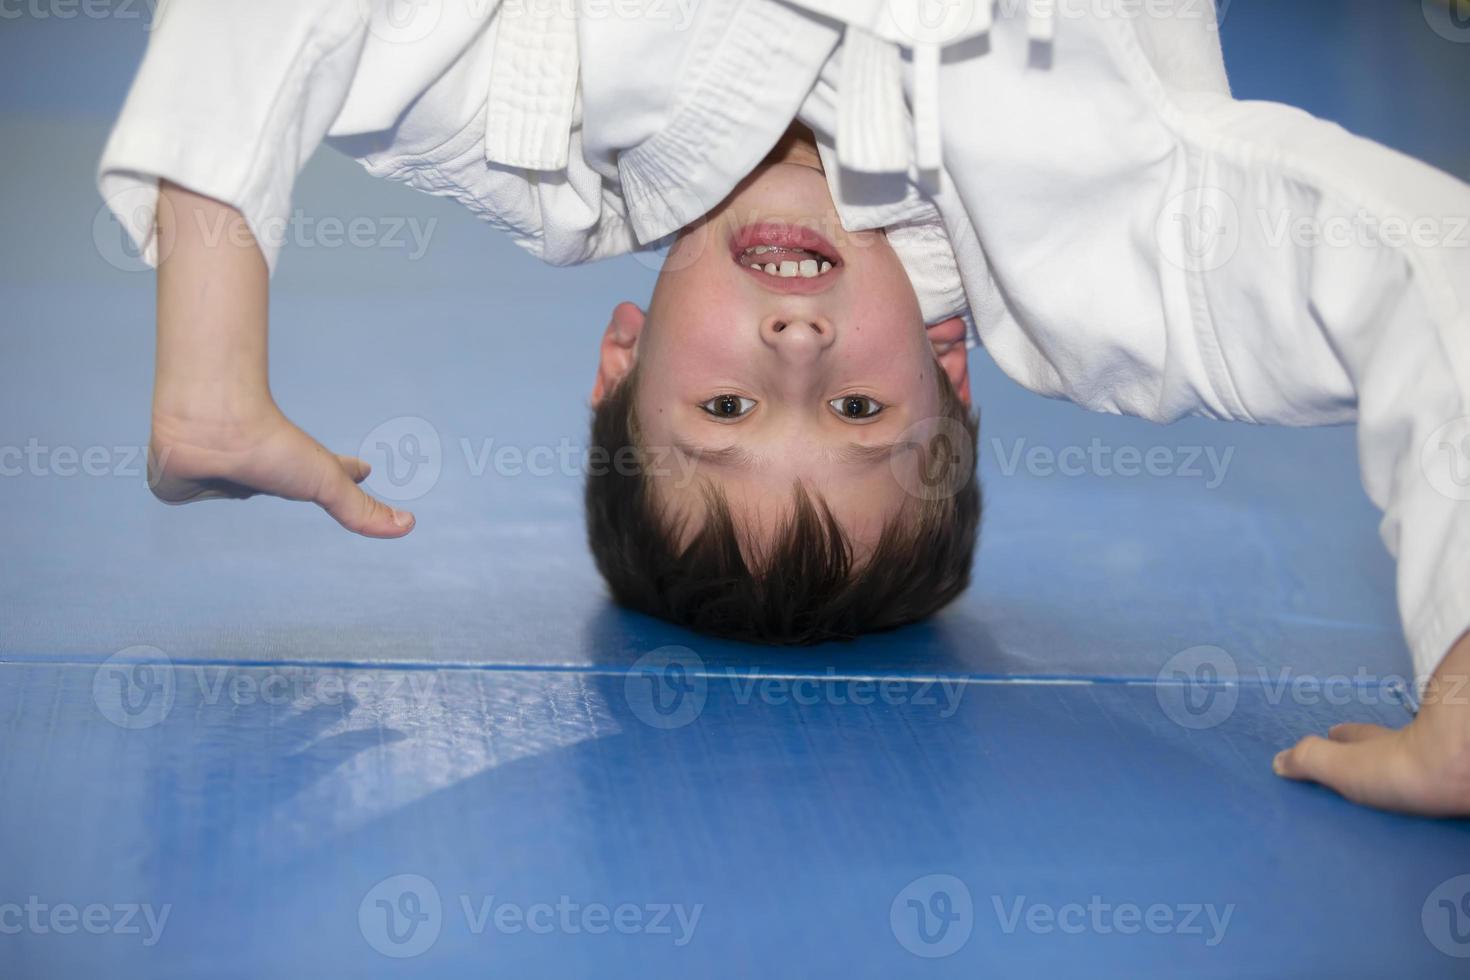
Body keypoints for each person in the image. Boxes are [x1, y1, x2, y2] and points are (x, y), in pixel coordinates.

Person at [99, 0, 1470, 816]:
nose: (799, 345)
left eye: (726, 407)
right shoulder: (1099, 254)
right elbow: (1424, 269)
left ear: (618, 359)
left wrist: (211, 377)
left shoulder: (533, 134)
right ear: (953, 371)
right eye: (864, 408)